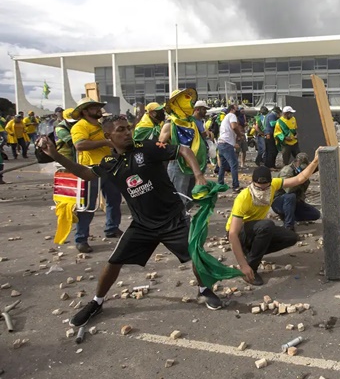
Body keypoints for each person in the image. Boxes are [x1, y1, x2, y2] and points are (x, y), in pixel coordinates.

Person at [38, 115, 225, 326]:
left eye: (128, 128)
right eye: (121, 129)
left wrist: (199, 175)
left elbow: (182, 149)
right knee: (113, 262)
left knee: (195, 254)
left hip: (173, 219)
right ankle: (96, 302)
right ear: (108, 136)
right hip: (142, 225)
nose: (127, 132)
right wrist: (55, 154)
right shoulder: (109, 163)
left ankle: (204, 289)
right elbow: (85, 173)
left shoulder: (148, 146)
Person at [227, 156, 319, 286]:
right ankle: (250, 269)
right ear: (252, 184)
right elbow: (232, 233)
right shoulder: (244, 198)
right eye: (259, 188)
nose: (263, 191)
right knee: (267, 225)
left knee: (291, 237)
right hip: (239, 234)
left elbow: (299, 179)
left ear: (270, 183)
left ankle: (252, 253)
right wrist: (242, 265)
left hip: (256, 229)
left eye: (266, 188)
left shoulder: (275, 184)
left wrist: (315, 161)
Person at [70, 98, 123, 253]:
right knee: (87, 206)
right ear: (85, 111)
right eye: (94, 107)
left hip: (108, 167)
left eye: (99, 107)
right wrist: (105, 143)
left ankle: (112, 228)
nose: (99, 109)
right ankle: (81, 238)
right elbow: (79, 145)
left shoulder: (99, 125)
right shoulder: (80, 126)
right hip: (90, 170)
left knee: (114, 199)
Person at [159, 89, 208, 202]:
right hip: (178, 164)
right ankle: (180, 218)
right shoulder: (170, 124)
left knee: (193, 197)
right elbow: (160, 146)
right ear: (176, 104)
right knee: (179, 199)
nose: (189, 103)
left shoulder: (191, 123)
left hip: (195, 164)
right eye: (184, 100)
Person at [271, 153, 321, 231]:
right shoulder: (287, 171)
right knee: (290, 196)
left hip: (294, 202)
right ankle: (289, 227)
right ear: (296, 163)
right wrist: (301, 179)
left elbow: (315, 167)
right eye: (301, 167)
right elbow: (288, 190)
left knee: (315, 214)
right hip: (279, 201)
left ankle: (289, 216)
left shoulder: (302, 170)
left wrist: (316, 161)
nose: (303, 170)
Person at [217, 104, 244, 192]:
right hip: (226, 143)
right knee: (234, 164)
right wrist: (240, 135)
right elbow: (234, 127)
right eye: (236, 108)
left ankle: (220, 184)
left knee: (223, 166)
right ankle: (235, 186)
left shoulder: (225, 117)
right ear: (232, 109)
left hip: (221, 143)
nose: (238, 110)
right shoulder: (232, 115)